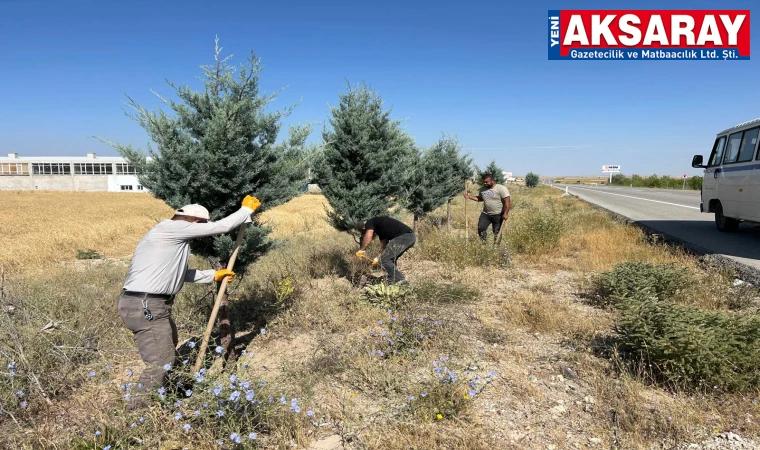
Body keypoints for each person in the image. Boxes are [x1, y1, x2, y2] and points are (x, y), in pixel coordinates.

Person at [118, 195, 261, 409]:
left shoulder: (170, 238)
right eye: (201, 226)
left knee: (168, 350)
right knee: (160, 361)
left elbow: (179, 274)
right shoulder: (172, 228)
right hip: (146, 304)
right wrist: (245, 211)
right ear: (194, 222)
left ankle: (165, 396)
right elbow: (222, 227)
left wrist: (214, 275)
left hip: (151, 304)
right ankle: (137, 412)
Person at [355, 216, 416, 285]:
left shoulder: (369, 222)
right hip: (409, 237)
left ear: (364, 228)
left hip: (404, 237)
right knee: (390, 259)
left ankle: (398, 279)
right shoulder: (381, 231)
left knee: (385, 259)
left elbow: (368, 235)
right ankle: (397, 280)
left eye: (364, 232)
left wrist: (362, 250)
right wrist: (377, 258)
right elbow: (384, 246)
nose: (364, 233)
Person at [463, 173, 510, 241]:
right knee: (481, 228)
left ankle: (496, 247)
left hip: (498, 215)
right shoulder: (483, 189)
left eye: (486, 182)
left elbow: (507, 202)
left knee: (497, 232)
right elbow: (480, 198)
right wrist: (469, 196)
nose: (485, 183)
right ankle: (484, 244)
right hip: (486, 214)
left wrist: (505, 213)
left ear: (492, 181)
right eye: (484, 182)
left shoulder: (501, 188)